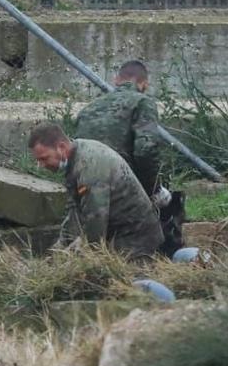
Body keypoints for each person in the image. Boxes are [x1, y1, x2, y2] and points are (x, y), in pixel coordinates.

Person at [72, 59, 184, 254]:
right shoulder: (142, 102)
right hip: (122, 188)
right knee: (171, 205)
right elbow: (146, 150)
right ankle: (165, 255)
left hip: (87, 191)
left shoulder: (87, 110)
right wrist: (154, 190)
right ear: (145, 84)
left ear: (116, 80)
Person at [28, 123, 163, 261]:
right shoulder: (75, 158)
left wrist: (79, 259)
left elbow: (95, 224)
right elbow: (74, 212)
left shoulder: (90, 169)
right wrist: (57, 253)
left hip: (136, 241)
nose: (41, 166)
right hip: (116, 233)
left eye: (44, 158)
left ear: (61, 147)